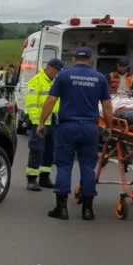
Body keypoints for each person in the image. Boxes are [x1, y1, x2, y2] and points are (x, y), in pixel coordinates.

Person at [36, 47, 113, 221]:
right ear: (91, 60)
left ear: (73, 58)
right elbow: (107, 106)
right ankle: (88, 210)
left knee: (64, 166)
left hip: (67, 127)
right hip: (89, 128)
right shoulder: (100, 78)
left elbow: (50, 100)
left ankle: (61, 209)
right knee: (87, 167)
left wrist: (42, 122)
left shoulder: (63, 76)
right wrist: (109, 127)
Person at [25, 58, 63, 191]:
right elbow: (31, 103)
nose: (57, 73)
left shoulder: (55, 82)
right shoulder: (37, 81)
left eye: (59, 71)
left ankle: (44, 177)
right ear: (49, 67)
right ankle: (32, 179)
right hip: (39, 122)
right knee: (36, 150)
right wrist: (37, 121)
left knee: (49, 151)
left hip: (53, 121)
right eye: (56, 70)